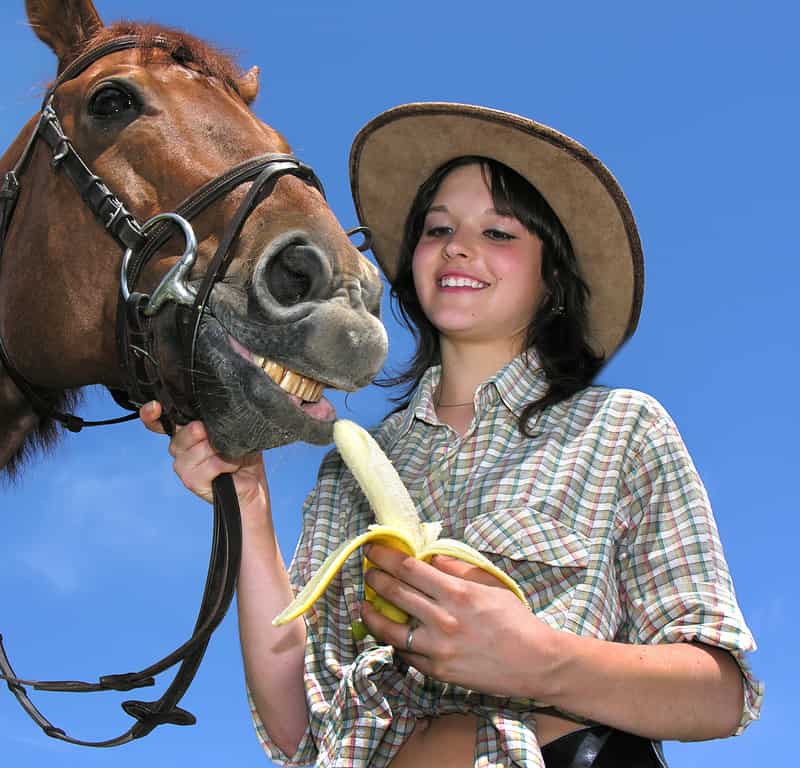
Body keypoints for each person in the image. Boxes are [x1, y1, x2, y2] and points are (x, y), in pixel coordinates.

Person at [139, 102, 762, 767]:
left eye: (500, 233)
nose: (460, 246)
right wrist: (252, 504)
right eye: (439, 229)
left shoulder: (622, 429)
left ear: (553, 279)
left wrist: (540, 662)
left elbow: (720, 696)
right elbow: (300, 731)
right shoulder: (350, 469)